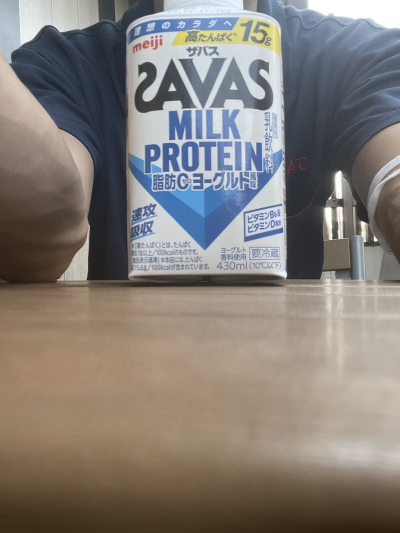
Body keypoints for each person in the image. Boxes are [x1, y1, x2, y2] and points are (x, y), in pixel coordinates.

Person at [1, 0, 400, 282]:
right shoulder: (63, 65)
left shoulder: (350, 55)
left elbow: (393, 179)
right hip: (122, 354)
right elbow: (44, 231)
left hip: (284, 358)